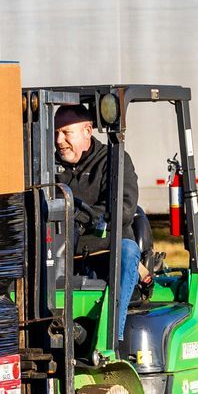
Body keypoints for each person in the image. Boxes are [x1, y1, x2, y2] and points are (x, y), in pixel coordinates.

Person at [54, 104, 150, 339]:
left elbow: (123, 209)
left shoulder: (113, 160)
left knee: (126, 250)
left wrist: (77, 217)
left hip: (104, 250)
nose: (59, 140)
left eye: (67, 133)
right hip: (59, 250)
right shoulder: (47, 167)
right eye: (56, 132)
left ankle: (109, 341)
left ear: (88, 130)